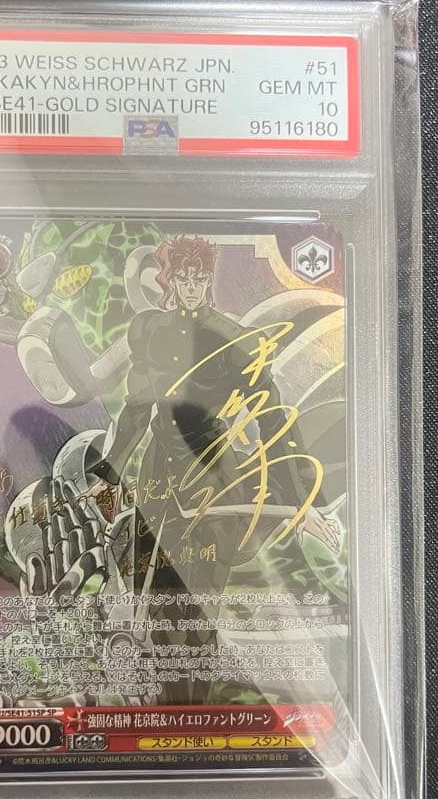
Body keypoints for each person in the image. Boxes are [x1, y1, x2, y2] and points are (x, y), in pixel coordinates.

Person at [88, 235, 339, 703]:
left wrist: (302, 500)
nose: (191, 287)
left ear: (208, 279)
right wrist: (109, 475)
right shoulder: (148, 329)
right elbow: (136, 410)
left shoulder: (234, 338)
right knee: (158, 602)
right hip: (158, 475)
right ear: (170, 279)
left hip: (211, 477)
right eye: (183, 277)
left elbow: (272, 417)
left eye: (199, 278)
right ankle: (169, 712)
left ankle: (193, 713)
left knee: (199, 609)